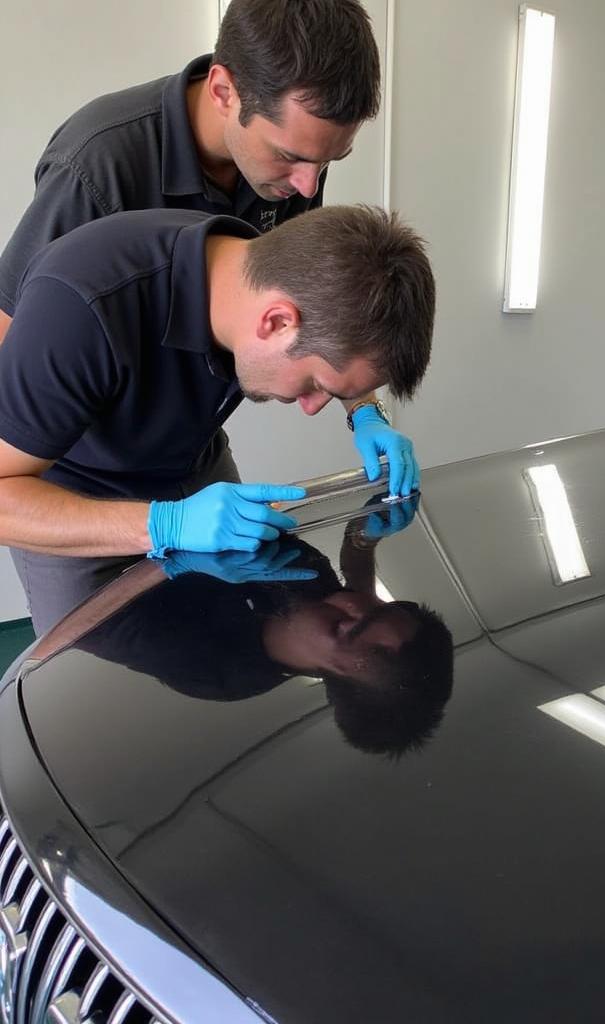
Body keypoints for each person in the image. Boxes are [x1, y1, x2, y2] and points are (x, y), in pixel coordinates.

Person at [0, 0, 416, 487]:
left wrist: (362, 409)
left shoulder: (294, 174)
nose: (308, 186)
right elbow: (9, 334)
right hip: (74, 473)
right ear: (224, 91)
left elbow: (325, 307)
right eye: (291, 156)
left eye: (327, 162)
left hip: (194, 454)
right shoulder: (97, 165)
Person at [0, 203, 435, 636]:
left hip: (192, 459)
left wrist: (364, 412)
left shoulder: (257, 268)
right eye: (316, 384)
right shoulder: (80, 309)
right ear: (277, 322)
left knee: (229, 615)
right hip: (63, 492)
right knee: (85, 665)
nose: (311, 405)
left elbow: (345, 340)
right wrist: (164, 524)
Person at [29, 498, 455, 757]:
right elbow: (353, 581)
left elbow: (87, 624)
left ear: (331, 678)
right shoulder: (311, 582)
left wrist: (175, 550)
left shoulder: (215, 668)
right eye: (375, 607)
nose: (346, 601)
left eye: (345, 628)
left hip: (88, 571)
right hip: (155, 498)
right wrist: (365, 533)